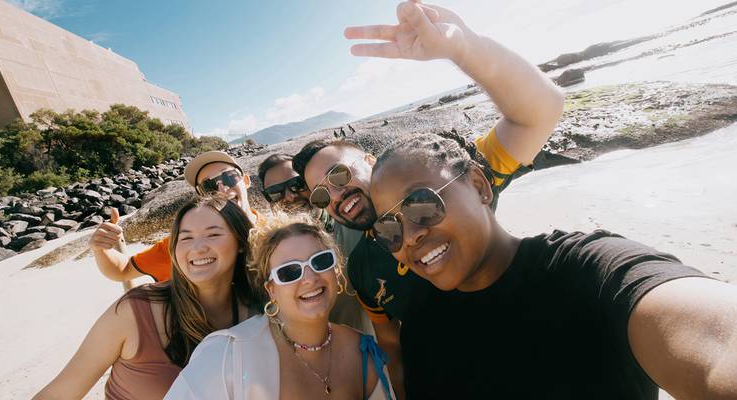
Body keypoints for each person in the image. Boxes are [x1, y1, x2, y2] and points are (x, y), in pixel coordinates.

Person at [292, 0, 564, 395]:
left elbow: (540, 111)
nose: (336, 195)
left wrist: (463, 49)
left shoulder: (443, 183)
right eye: (321, 194)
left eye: (339, 173)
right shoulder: (364, 266)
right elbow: (391, 346)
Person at [368, 132, 737, 399]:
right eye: (389, 228)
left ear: (480, 186)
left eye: (420, 205)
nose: (410, 235)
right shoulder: (421, 329)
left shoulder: (588, 271)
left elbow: (718, 344)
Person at [33, 196, 261, 400]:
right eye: (185, 238)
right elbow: (59, 393)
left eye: (213, 234)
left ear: (240, 242)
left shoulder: (261, 312)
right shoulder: (134, 313)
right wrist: (101, 249)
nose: (198, 248)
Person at [165, 213, 393, 399]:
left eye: (320, 261)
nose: (309, 277)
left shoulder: (363, 352)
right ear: (270, 290)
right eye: (289, 272)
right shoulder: (227, 354)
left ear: (336, 269)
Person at [89, 151, 256, 283]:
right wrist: (101, 249)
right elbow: (123, 270)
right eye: (209, 185)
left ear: (246, 181)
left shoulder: (273, 229)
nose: (222, 190)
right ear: (202, 197)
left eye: (229, 177)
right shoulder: (184, 245)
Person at [258, 153, 369, 331]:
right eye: (275, 193)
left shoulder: (355, 227)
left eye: (296, 185)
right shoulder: (268, 258)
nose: (289, 197)